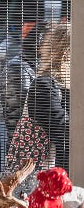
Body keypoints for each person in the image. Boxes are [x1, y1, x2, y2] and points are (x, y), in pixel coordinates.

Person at [27, 22, 70, 171]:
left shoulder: (71, 88)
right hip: (55, 182)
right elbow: (64, 132)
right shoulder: (44, 86)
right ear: (66, 53)